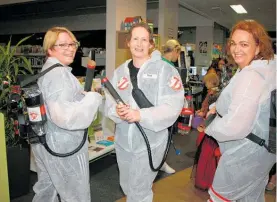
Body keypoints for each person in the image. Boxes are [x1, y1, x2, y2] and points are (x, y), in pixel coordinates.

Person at [104, 23, 184, 202]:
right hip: (124, 142)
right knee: (128, 186)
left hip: (150, 142)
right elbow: (109, 100)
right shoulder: (120, 72)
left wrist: (141, 115)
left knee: (140, 191)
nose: (139, 44)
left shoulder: (165, 70)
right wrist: (117, 111)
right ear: (128, 42)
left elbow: (173, 106)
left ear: (151, 44)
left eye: (144, 40)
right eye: (135, 39)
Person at [204, 20, 276, 201]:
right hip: (263, 151)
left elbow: (236, 126)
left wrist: (210, 127)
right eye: (234, 44)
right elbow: (245, 103)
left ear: (258, 47)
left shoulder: (252, 76)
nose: (237, 49)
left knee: (218, 198)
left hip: (244, 154)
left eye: (244, 44)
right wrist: (216, 107)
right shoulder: (264, 68)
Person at [32, 27, 103, 202]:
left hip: (45, 141)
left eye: (72, 43)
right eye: (63, 44)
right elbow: (64, 116)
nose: (70, 48)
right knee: (76, 195)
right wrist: (93, 99)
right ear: (50, 49)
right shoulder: (58, 75)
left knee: (46, 190)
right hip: (63, 145)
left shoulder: (49, 70)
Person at [158, 39, 182, 174]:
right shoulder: (166, 67)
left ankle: (160, 162)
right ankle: (159, 163)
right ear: (174, 51)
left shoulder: (161, 64)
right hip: (162, 107)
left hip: (160, 107)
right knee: (161, 136)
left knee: (162, 136)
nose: (178, 57)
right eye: (178, 53)